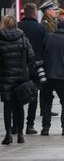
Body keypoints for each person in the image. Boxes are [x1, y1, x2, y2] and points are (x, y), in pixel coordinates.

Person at [0, 15, 34, 145]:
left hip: (5, 78)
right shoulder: (23, 38)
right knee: (19, 106)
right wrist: (24, 67)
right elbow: (31, 56)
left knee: (7, 107)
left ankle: (8, 134)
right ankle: (20, 134)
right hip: (21, 77)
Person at [18, 3, 47, 135]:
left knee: (17, 96)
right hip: (36, 66)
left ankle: (15, 126)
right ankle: (30, 125)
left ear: (24, 13)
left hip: (18, 66)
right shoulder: (41, 28)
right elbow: (45, 47)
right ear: (35, 13)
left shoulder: (17, 27)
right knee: (33, 96)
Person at [39, 1, 59, 117]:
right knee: (45, 86)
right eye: (53, 10)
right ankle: (44, 108)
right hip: (47, 57)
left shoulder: (52, 22)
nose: (55, 11)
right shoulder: (46, 23)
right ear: (47, 11)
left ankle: (47, 108)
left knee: (48, 86)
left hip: (51, 56)